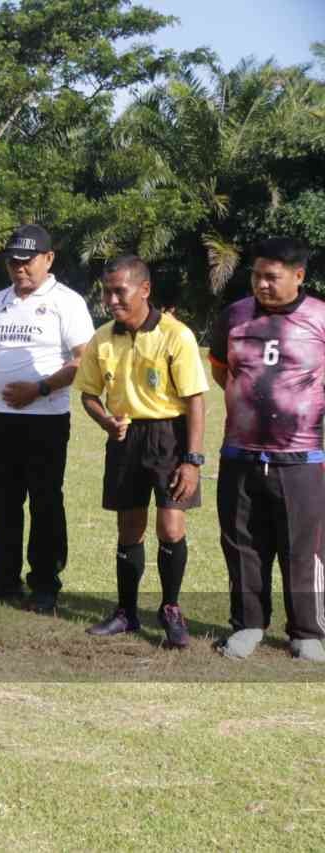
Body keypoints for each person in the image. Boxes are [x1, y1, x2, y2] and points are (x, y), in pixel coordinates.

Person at [75, 255, 207, 648]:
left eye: (120, 291)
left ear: (144, 289)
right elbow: (88, 394)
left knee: (170, 526)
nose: (111, 299)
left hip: (169, 437)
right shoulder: (103, 338)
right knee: (129, 528)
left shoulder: (175, 334)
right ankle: (126, 612)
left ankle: (170, 609)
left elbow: (196, 401)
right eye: (106, 291)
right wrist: (106, 422)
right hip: (125, 439)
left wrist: (192, 460)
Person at [0, 225, 94, 612]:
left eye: (27, 260)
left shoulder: (67, 302)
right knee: (1, 504)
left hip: (45, 419)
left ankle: (44, 585)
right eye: (13, 261)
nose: (19, 268)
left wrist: (38, 389)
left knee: (44, 503)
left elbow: (84, 359)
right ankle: (3, 580)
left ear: (48, 259)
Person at [210, 238, 325, 663]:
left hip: (301, 457)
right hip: (240, 452)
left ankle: (306, 632)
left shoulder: (320, 318)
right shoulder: (234, 316)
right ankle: (247, 625)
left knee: (303, 546)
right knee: (241, 544)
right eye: (257, 275)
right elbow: (222, 370)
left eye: (272, 277)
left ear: (299, 276)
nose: (262, 284)